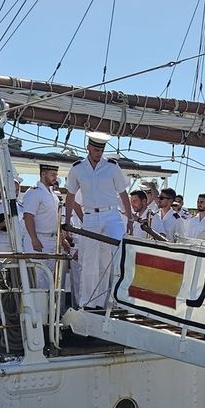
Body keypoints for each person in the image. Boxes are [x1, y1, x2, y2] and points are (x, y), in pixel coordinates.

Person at [64, 132, 132, 308]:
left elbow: (123, 193)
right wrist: (68, 220)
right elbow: (70, 195)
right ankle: (87, 303)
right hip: (90, 217)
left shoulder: (112, 166)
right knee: (88, 261)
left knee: (114, 256)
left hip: (111, 215)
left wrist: (130, 219)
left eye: (101, 150)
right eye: (95, 150)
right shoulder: (77, 168)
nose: (98, 153)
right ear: (88, 148)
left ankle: (109, 301)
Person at [21, 164, 62, 294]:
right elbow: (28, 216)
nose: (55, 177)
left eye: (56, 175)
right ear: (43, 174)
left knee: (50, 278)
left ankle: (48, 311)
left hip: (51, 240)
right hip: (38, 239)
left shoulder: (53, 195)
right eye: (52, 174)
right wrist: (34, 239)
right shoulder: (34, 193)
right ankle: (38, 311)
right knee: (38, 277)